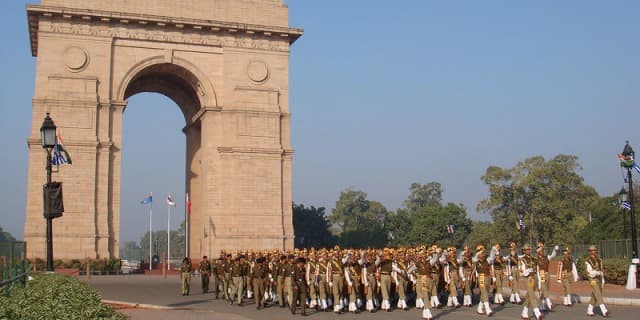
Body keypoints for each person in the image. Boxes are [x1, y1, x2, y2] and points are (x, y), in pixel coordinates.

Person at [519, 244, 543, 320]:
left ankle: (524, 313)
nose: (528, 251)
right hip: (527, 278)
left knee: (529, 296)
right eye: (526, 250)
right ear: (523, 251)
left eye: (529, 249)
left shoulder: (534, 259)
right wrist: (528, 270)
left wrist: (539, 281)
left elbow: (538, 270)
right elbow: (521, 272)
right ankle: (537, 313)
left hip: (534, 277)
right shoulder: (522, 259)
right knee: (532, 295)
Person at [585, 245, 609, 317]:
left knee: (594, 294)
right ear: (589, 252)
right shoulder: (587, 261)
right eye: (591, 250)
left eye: (594, 250)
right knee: (598, 293)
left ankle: (589, 310)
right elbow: (589, 272)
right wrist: (596, 272)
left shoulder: (599, 260)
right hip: (592, 279)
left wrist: (602, 277)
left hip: (599, 278)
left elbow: (601, 270)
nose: (593, 252)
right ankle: (604, 310)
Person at [473, 245, 494, 316]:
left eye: (483, 252)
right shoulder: (476, 260)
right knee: (484, 292)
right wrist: (478, 253)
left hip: (488, 277)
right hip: (481, 277)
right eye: (481, 252)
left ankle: (479, 308)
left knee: (485, 293)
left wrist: (493, 250)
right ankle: (488, 309)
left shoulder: (487, 259)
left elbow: (492, 258)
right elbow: (474, 259)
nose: (483, 253)